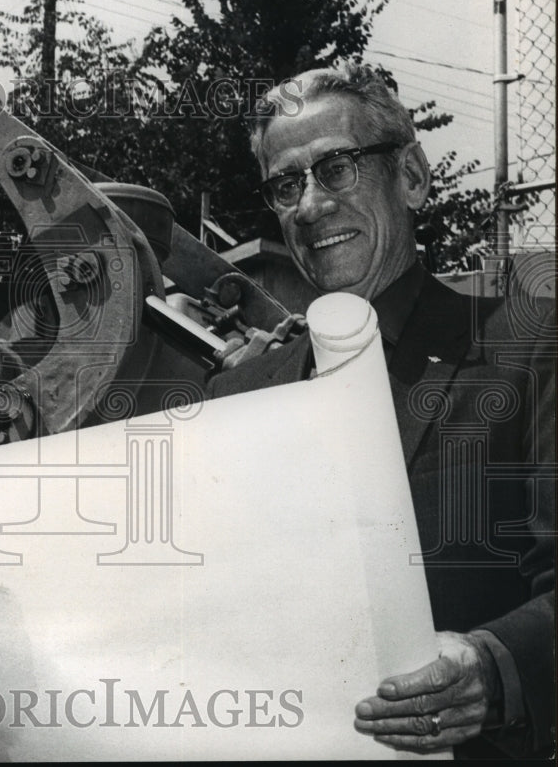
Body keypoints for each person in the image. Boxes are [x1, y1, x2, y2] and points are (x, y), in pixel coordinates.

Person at [208, 62, 555, 759]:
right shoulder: (237, 399)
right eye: (286, 183)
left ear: (414, 177)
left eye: (336, 167)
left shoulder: (529, 346)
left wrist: (491, 663)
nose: (309, 206)